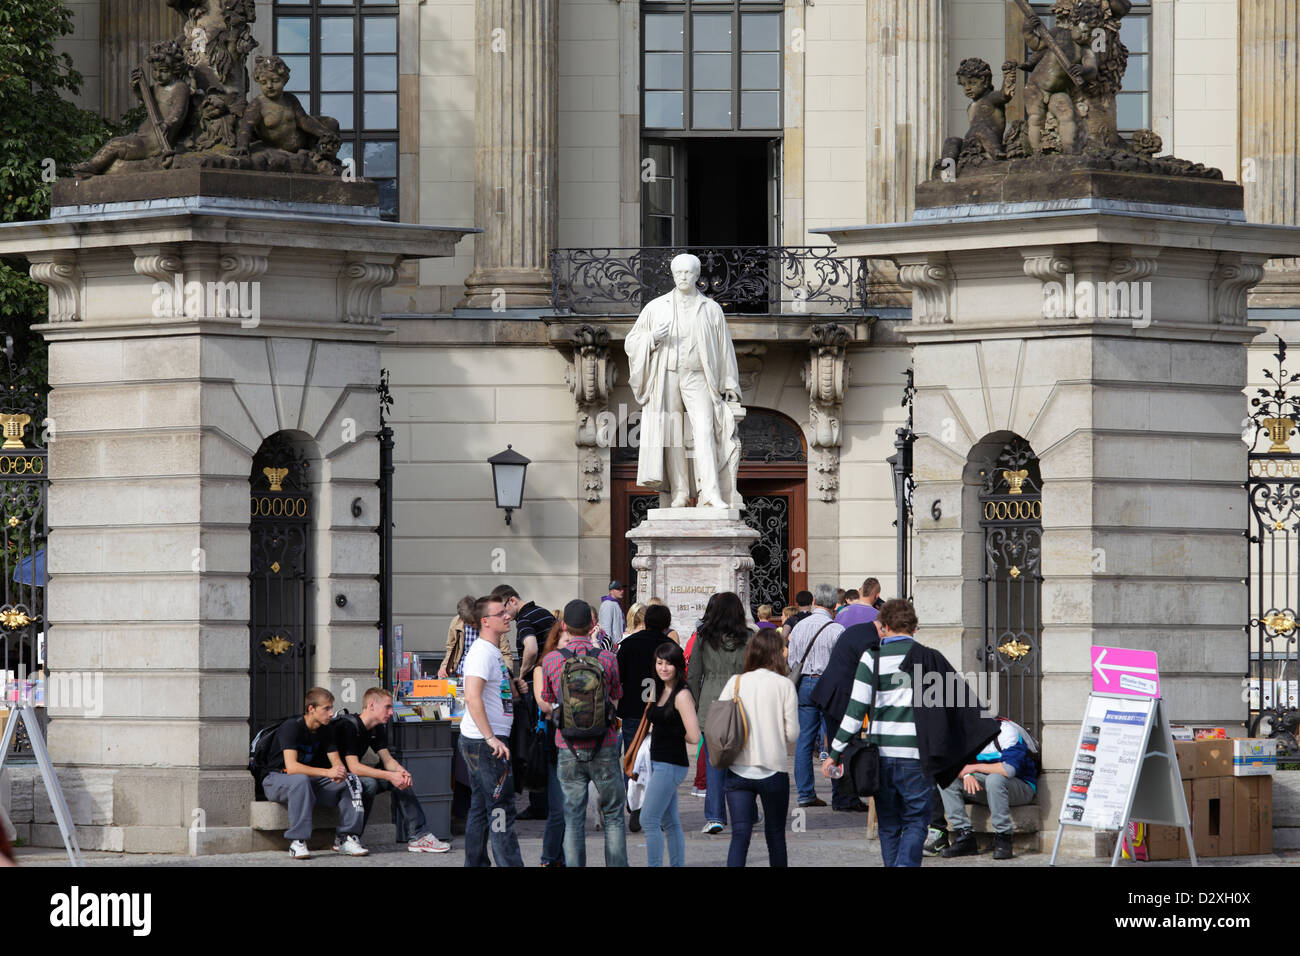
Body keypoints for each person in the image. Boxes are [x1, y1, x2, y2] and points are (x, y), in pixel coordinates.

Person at [823, 600, 999, 867]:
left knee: (889, 825)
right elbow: (955, 707)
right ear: (915, 628)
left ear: (883, 627)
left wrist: (834, 753)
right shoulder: (930, 658)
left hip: (879, 756)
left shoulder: (872, 658)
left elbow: (854, 711)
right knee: (916, 822)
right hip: (917, 757)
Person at [539, 599, 626, 867]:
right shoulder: (608, 658)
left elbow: (548, 698)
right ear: (592, 626)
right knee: (613, 814)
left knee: (573, 817)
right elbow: (615, 696)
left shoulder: (552, 660)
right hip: (605, 743)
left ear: (564, 625)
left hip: (567, 746)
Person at [716, 629, 798, 867]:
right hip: (773, 768)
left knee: (739, 837)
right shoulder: (784, 685)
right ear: (776, 653)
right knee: (775, 836)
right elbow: (792, 733)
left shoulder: (736, 682)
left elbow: (720, 722)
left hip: (738, 767)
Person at [336, 687, 450, 853]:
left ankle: (418, 836)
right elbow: (353, 767)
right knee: (369, 784)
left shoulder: (377, 728)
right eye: (387, 707)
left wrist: (401, 772)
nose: (391, 712)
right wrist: (391, 775)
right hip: (337, 777)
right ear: (371, 705)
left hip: (353, 777)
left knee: (400, 780)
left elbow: (387, 759)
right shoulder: (349, 726)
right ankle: (346, 838)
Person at [261, 687, 366, 859]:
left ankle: (346, 838)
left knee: (351, 780)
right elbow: (292, 767)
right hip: (276, 779)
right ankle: (298, 841)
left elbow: (336, 761)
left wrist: (339, 772)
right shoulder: (291, 727)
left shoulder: (326, 729)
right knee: (300, 779)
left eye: (332, 708)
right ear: (311, 709)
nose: (331, 713)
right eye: (327, 708)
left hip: (306, 781)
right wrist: (327, 772)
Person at [459, 595, 526, 867]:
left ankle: (475, 863)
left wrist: (514, 690)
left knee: (480, 807)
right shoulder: (481, 654)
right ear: (485, 621)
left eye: (506, 612)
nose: (507, 616)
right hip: (485, 744)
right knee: (501, 809)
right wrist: (490, 738)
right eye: (501, 614)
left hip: (485, 740)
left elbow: (491, 694)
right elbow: (472, 697)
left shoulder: (492, 651)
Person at [686, 591, 750, 834]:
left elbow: (693, 674)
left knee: (714, 762)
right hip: (740, 699)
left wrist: (691, 704)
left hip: (711, 702)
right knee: (742, 761)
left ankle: (715, 816)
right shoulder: (749, 638)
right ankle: (747, 812)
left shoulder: (704, 638)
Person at [490, 583, 554, 820]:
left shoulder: (525, 619)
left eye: (504, 610)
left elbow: (530, 647)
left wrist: (523, 673)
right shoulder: (545, 614)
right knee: (547, 744)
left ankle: (539, 804)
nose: (505, 617)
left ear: (512, 601)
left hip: (537, 686)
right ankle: (548, 801)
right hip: (553, 685)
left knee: (535, 744)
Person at [939, 718, 1038, 860]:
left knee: (995, 778)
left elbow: (1009, 770)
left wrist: (973, 767)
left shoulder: (1006, 731)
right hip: (989, 787)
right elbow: (951, 762)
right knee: (947, 778)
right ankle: (965, 836)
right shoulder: (965, 733)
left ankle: (1004, 837)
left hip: (1021, 787)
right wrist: (967, 774)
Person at [640, 641, 701, 866]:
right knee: (670, 820)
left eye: (669, 664)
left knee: (648, 819)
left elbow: (694, 736)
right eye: (659, 663)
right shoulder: (660, 689)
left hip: (671, 763)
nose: (663, 668)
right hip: (658, 761)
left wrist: (673, 729)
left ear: (678, 666)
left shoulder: (682, 694)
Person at [809, 619, 878, 813]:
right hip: (841, 696)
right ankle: (845, 798)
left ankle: (843, 795)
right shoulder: (870, 640)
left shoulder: (859, 629)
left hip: (832, 693)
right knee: (844, 748)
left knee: (839, 746)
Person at [786, 584, 844, 810]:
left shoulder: (799, 627)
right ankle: (839, 792)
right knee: (835, 738)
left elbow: (792, 661)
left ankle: (805, 793)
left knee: (804, 740)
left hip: (805, 683)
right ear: (833, 605)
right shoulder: (836, 629)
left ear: (815, 602)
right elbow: (840, 663)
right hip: (828, 683)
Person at [533, 619, 570, 866]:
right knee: (559, 807)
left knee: (569, 809)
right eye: (566, 642)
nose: (570, 648)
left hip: (575, 742)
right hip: (554, 742)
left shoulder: (579, 667)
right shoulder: (542, 668)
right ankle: (549, 857)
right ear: (555, 642)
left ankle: (561, 858)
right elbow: (543, 705)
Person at [617, 603, 672, 755]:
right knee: (660, 760)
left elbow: (617, 677)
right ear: (667, 624)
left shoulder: (629, 644)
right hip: (662, 711)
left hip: (633, 709)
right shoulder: (671, 647)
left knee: (632, 759)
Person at [439, 594, 515, 678]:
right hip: (460, 674)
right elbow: (451, 647)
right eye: (471, 623)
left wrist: (507, 677)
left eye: (476, 620)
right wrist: (445, 666)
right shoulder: (456, 623)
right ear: (463, 619)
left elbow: (505, 653)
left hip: (487, 675)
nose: (475, 624)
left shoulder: (492, 622)